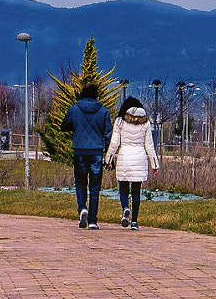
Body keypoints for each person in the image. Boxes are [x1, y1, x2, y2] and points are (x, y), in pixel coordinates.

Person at [60, 82, 112, 229]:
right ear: (96, 96)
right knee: (95, 187)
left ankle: (82, 208)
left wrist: (75, 126)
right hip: (96, 151)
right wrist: (109, 156)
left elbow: (64, 126)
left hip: (79, 150)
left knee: (80, 183)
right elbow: (108, 134)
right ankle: (93, 221)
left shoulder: (74, 109)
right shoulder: (103, 111)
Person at [105, 96, 160, 229]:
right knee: (136, 191)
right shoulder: (146, 123)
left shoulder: (120, 121)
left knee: (123, 188)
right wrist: (155, 164)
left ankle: (125, 208)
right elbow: (149, 145)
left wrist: (108, 159)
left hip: (124, 157)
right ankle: (134, 222)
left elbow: (114, 143)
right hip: (139, 158)